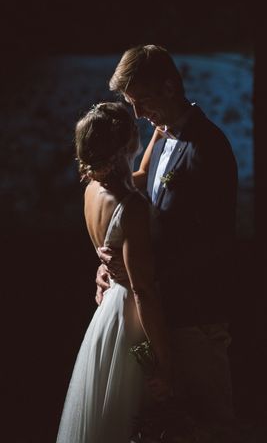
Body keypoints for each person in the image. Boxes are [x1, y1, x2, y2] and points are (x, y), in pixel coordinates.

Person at [96, 44, 239, 432]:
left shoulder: (208, 147)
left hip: (197, 315)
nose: (138, 114)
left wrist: (145, 272)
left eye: (141, 100)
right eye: (131, 103)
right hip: (165, 314)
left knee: (212, 424)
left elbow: (219, 243)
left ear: (169, 86)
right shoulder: (161, 142)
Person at [57, 102, 172, 443]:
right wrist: (166, 364)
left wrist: (156, 136)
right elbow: (144, 291)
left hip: (107, 313)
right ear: (126, 145)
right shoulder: (132, 207)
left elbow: (138, 176)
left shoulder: (93, 191)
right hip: (131, 318)